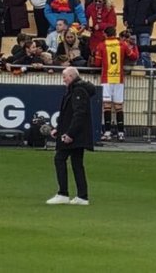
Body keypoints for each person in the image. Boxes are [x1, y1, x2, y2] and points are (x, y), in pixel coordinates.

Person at [47, 67, 95, 206]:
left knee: (60, 159)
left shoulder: (78, 91)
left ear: (72, 76)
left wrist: (69, 134)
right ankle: (82, 196)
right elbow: (69, 114)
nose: (63, 80)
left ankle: (63, 193)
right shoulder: (78, 89)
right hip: (76, 134)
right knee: (77, 163)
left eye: (65, 77)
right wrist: (59, 128)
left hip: (74, 135)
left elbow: (79, 114)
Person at [94, 26, 138, 142]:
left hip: (106, 79)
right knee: (118, 107)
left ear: (105, 34)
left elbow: (97, 63)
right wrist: (134, 46)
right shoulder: (122, 44)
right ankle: (121, 133)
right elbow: (134, 56)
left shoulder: (101, 45)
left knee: (107, 106)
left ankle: (107, 132)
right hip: (119, 79)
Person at [123, 0, 156, 68]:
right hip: (132, 28)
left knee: (144, 53)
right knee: (134, 53)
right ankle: (138, 72)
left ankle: (150, 73)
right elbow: (125, 9)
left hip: (144, 29)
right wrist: (125, 19)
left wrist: (148, 20)